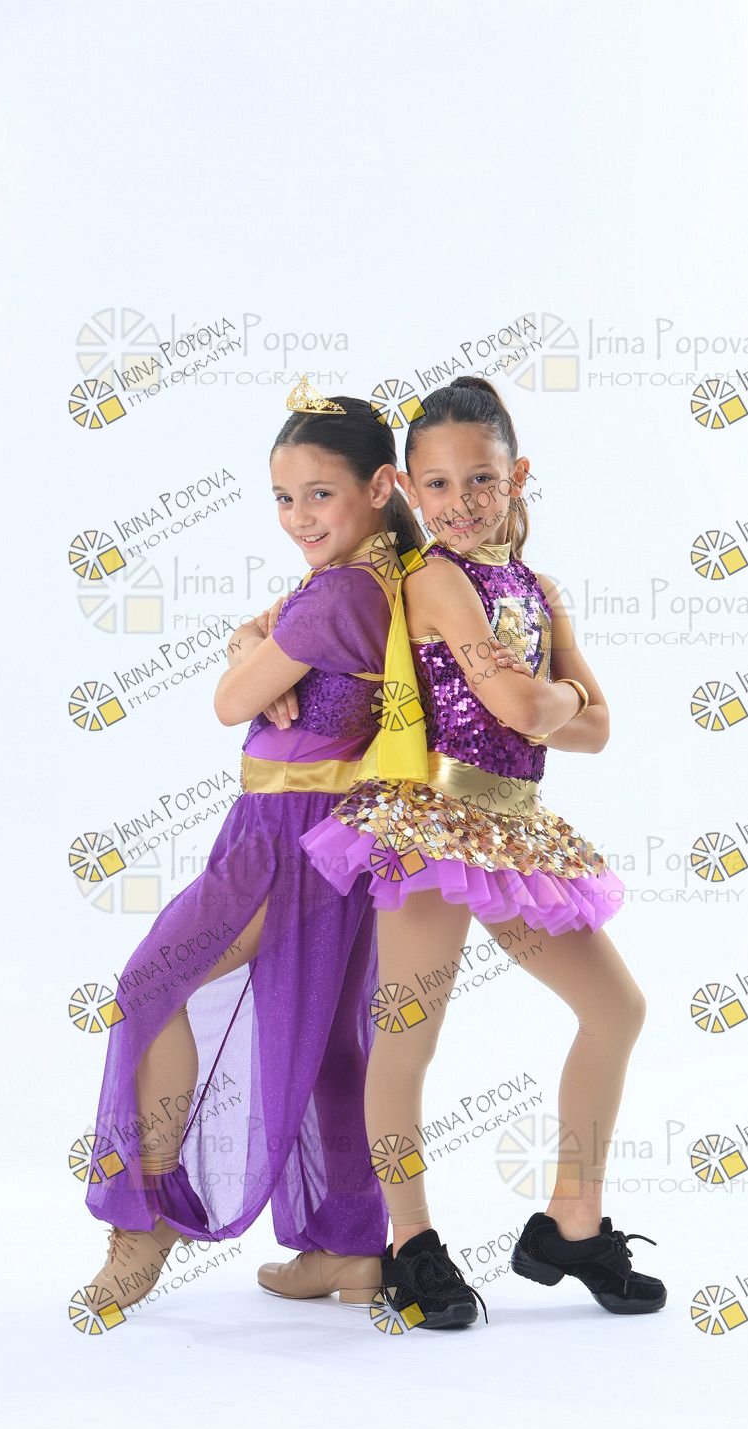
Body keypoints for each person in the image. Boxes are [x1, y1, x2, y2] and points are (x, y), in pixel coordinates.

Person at [292, 376, 667, 1329]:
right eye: (438, 485)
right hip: (430, 826)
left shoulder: (536, 590)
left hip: (514, 830)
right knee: (408, 1035)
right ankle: (410, 1242)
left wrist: (556, 704)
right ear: (411, 491)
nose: (460, 503)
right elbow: (522, 708)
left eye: (481, 480)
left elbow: (599, 730)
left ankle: (572, 1221)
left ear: (518, 476)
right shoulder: (435, 579)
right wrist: (559, 701)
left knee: (616, 1009)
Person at [82, 379, 427, 1314]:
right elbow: (258, 668)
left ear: (380, 487)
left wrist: (249, 660)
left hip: (285, 839)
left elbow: (229, 703)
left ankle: (145, 1222)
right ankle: (348, 1246)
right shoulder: (380, 582)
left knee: (150, 987)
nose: (299, 516)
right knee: (329, 1043)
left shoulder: (338, 594)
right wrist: (253, 643)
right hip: (338, 840)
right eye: (283, 497)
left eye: (320, 494)